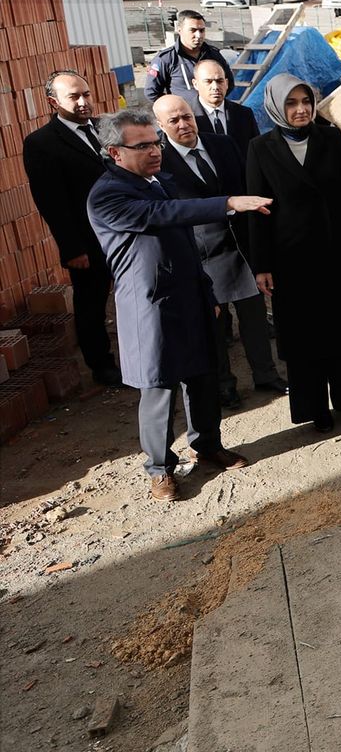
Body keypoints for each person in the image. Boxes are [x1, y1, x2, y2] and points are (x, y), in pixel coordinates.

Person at [87, 108, 270, 501]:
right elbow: (161, 216)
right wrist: (228, 202)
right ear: (115, 152)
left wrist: (207, 292)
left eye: (155, 142)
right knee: (158, 388)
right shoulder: (107, 194)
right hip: (150, 306)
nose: (156, 150)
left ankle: (206, 446)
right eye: (144, 146)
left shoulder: (159, 181)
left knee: (203, 376)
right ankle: (159, 468)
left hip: (191, 295)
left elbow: (187, 246)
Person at [247, 74, 341, 434]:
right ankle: (315, 408)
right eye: (291, 103)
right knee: (307, 338)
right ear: (277, 106)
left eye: (305, 101)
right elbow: (257, 213)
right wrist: (261, 265)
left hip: (340, 253)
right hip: (292, 262)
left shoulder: (333, 138)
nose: (301, 109)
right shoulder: (261, 149)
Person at [154, 96, 287, 409]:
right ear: (160, 126)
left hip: (239, 244)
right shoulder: (160, 161)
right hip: (201, 253)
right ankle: (224, 384)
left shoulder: (223, 144)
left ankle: (265, 374)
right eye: (173, 121)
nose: (184, 124)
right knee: (213, 325)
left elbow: (246, 185)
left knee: (254, 313)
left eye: (187, 116)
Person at [22, 71, 122, 386]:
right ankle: (101, 365)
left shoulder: (106, 128)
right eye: (74, 97)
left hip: (124, 232)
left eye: (86, 94)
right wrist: (72, 248)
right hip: (87, 241)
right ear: (53, 102)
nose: (83, 102)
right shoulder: (42, 143)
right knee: (91, 303)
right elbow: (51, 202)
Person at [144, 10, 234, 106]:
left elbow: (229, 84)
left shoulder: (214, 55)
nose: (198, 35)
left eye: (202, 30)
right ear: (180, 30)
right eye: (193, 30)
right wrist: (175, 108)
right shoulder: (166, 59)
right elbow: (152, 92)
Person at [190, 59, 260, 167]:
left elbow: (256, 153)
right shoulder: (187, 117)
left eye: (219, 81)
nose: (215, 87)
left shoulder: (244, 114)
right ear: (195, 84)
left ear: (226, 83)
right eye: (208, 81)